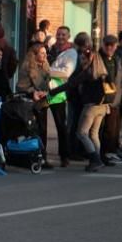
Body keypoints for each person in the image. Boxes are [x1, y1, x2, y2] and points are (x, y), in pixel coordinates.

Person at [48, 46, 113, 172]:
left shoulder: (88, 73)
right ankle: (98, 159)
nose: (82, 61)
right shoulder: (103, 72)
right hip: (103, 107)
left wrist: (53, 91)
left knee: (81, 133)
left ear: (91, 58)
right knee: (94, 134)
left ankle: (95, 160)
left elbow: (70, 84)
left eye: (83, 58)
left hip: (91, 107)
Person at [16, 42, 53, 166]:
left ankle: (43, 156)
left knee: (43, 130)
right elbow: (21, 85)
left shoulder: (46, 66)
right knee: (32, 130)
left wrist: (46, 91)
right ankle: (32, 157)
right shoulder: (27, 66)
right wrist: (33, 92)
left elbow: (49, 83)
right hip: (30, 102)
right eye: (41, 53)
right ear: (35, 54)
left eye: (45, 53)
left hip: (43, 102)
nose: (44, 55)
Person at [48, 26, 77, 164]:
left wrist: (48, 70)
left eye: (63, 35)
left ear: (68, 36)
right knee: (40, 126)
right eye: (58, 34)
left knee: (61, 125)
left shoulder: (71, 53)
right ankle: (41, 155)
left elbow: (66, 73)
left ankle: (64, 156)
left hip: (58, 93)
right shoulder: (52, 49)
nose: (60, 37)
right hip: (44, 90)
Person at [98, 34, 122, 165]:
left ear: (115, 46)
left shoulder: (117, 59)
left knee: (112, 128)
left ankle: (109, 152)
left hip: (115, 99)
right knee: (101, 129)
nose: (109, 47)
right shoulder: (98, 58)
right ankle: (101, 154)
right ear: (103, 45)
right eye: (107, 44)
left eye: (112, 45)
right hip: (101, 100)